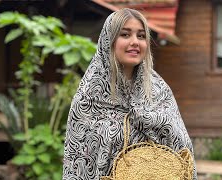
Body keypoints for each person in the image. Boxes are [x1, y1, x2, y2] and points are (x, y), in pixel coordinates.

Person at [62, 8, 198, 180]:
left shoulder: (159, 92)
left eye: (141, 36)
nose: (135, 42)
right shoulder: (88, 98)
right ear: (108, 41)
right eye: (125, 35)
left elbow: (182, 147)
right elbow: (77, 163)